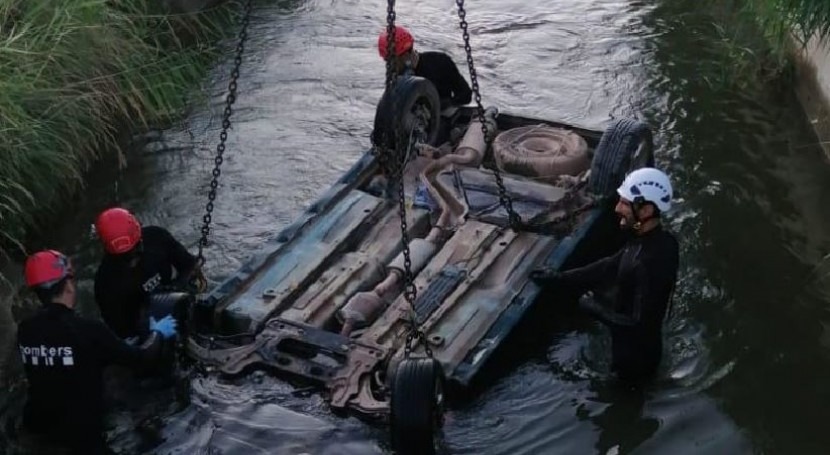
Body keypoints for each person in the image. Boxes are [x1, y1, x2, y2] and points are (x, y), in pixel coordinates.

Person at [16, 250, 178, 454]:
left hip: (36, 428)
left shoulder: (25, 329)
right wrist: (157, 332)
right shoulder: (89, 330)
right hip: (81, 439)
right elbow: (142, 358)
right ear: (68, 284)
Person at [530, 167, 680, 386]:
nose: (617, 208)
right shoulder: (648, 240)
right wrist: (558, 277)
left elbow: (639, 326)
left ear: (646, 210)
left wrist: (593, 308)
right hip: (625, 344)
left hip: (635, 365)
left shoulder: (652, 262)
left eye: (625, 204)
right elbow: (609, 265)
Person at [93, 207, 199, 341]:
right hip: (145, 329)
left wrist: (178, 287)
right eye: (124, 258)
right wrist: (150, 330)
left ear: (140, 239)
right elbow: (121, 330)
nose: (132, 261)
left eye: (135, 253)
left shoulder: (156, 237)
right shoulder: (105, 283)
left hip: (175, 301)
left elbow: (189, 265)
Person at [378, 25, 472, 111]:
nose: (390, 66)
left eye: (393, 61)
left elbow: (466, 95)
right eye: (386, 61)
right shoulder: (396, 79)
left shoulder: (440, 62)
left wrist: (446, 104)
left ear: (405, 56)